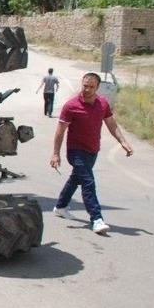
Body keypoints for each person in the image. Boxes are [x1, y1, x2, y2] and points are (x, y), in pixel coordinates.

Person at [50, 72, 134, 235]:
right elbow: (60, 132)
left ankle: (60, 206)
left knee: (76, 179)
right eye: (85, 86)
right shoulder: (71, 105)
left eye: (91, 87)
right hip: (76, 151)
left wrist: (123, 141)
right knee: (88, 182)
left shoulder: (102, 103)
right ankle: (96, 219)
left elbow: (111, 124)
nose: (87, 89)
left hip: (92, 150)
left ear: (97, 87)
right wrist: (55, 154)